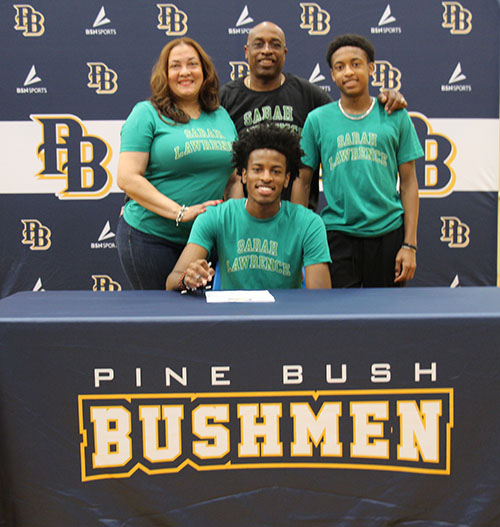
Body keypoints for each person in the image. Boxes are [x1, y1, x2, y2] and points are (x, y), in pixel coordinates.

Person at [220, 21, 407, 210]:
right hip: (243, 217)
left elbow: (349, 113)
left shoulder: (309, 95)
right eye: (259, 44)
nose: (267, 50)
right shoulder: (225, 99)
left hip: (298, 217)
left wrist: (388, 98)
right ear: (246, 51)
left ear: (285, 53)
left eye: (275, 44)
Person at [297, 34, 424, 288]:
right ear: (332, 75)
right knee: (342, 321)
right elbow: (302, 182)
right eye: (340, 67)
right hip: (337, 234)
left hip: (388, 233)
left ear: (371, 68)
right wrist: (299, 239)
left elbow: (409, 183)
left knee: (387, 321)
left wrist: (409, 245)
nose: (349, 72)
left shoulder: (395, 115)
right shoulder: (317, 120)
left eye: (356, 64)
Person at [116, 38, 240, 290]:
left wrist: (234, 219)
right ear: (165, 74)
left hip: (203, 240)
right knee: (159, 320)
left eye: (192, 64)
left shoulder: (221, 115)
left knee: (197, 323)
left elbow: (234, 177)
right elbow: (127, 178)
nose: (184, 72)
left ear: (205, 73)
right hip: (150, 237)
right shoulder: (146, 113)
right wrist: (180, 212)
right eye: (175, 66)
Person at [166, 124, 332, 291]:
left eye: (275, 171)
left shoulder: (309, 224)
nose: (266, 177)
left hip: (284, 315)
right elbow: (172, 281)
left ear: (287, 179)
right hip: (232, 315)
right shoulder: (215, 217)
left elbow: (320, 298)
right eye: (257, 169)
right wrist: (186, 279)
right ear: (244, 175)